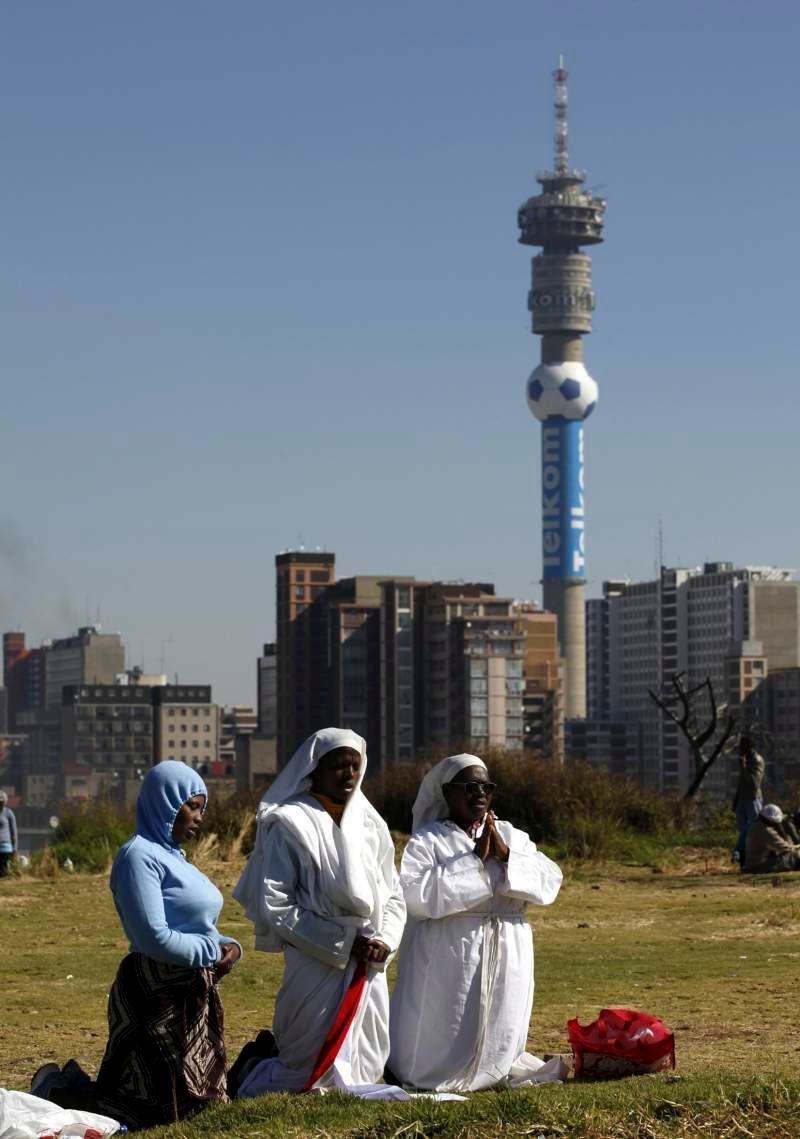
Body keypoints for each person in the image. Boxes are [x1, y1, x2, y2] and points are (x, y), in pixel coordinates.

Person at [32, 760, 242, 1130]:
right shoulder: (138, 856)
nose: (198, 817)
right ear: (165, 803)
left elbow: (197, 926)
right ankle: (55, 1091)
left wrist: (230, 946)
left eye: (202, 808)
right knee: (150, 1108)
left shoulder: (176, 858)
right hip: (155, 993)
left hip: (191, 990)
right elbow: (153, 937)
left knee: (198, 1102)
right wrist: (211, 952)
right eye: (191, 806)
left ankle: (70, 1087)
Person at [232, 727, 406, 1096]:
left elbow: (393, 893)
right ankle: (252, 1071)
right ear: (315, 768)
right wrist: (344, 942)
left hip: (368, 958)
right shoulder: (290, 823)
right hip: (318, 956)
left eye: (354, 766)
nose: (348, 775)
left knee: (366, 1057)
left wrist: (384, 940)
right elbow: (277, 902)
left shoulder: (371, 823)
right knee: (303, 1065)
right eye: (338, 766)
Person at [388, 753, 564, 1092]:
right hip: (451, 946)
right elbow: (417, 894)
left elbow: (550, 879)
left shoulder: (512, 835)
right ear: (448, 793)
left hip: (509, 941)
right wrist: (473, 862)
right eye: (469, 786)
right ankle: (433, 1071)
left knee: (503, 1010)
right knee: (449, 1015)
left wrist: (508, 857)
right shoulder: (428, 840)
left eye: (486, 787)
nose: (479, 794)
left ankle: (495, 1068)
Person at [732, 734, 765, 867]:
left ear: (749, 746)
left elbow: (754, 783)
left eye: (742, 746)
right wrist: (736, 801)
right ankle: (744, 861)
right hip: (742, 800)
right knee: (743, 833)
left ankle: (757, 860)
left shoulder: (757, 760)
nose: (739, 749)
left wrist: (744, 767)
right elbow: (741, 783)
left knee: (754, 831)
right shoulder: (745, 759)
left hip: (753, 800)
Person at [744, 803, 800, 874]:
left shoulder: (756, 825)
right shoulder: (766, 830)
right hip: (758, 867)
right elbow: (787, 848)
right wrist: (784, 834)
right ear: (771, 820)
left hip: (753, 865)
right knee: (795, 855)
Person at [0, 790, 17, 877]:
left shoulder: (8, 813)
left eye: (2, 801)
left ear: (5, 802)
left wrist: (15, 849)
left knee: (4, 871)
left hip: (6, 848)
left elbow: (14, 833)